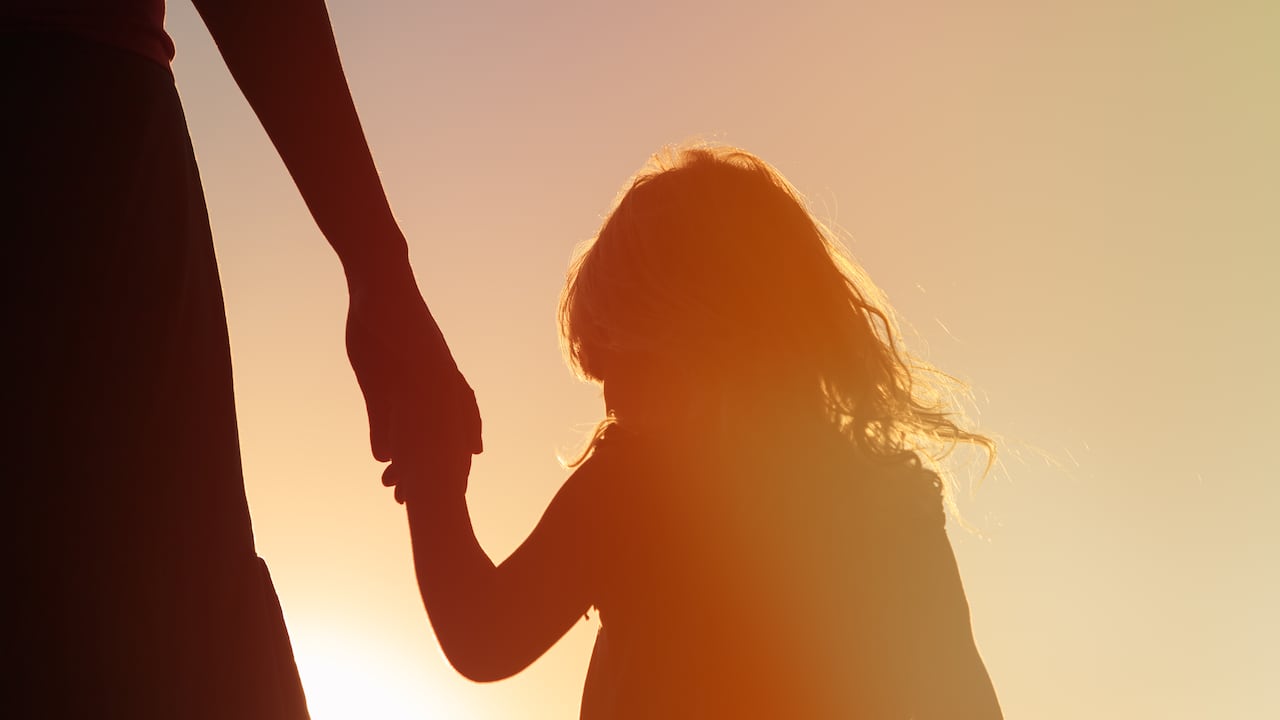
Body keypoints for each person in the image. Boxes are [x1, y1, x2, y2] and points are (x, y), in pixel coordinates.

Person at [389, 146, 1003, 717]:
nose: (611, 396)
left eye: (625, 362)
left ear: (706, 340)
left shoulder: (636, 489)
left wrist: (431, 468)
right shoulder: (885, 504)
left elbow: (485, 634)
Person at [3, 1, 479, 717]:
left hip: (90, 147)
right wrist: (380, 270)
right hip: (84, 153)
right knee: (156, 617)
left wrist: (381, 271)